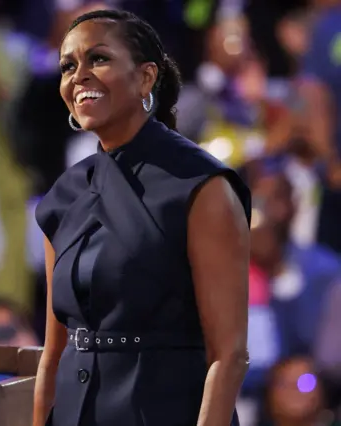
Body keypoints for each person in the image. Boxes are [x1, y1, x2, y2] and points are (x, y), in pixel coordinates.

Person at [33, 9, 251, 426]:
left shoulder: (200, 186)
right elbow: (53, 353)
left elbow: (229, 355)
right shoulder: (63, 197)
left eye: (98, 58)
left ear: (146, 78)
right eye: (68, 65)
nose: (79, 75)